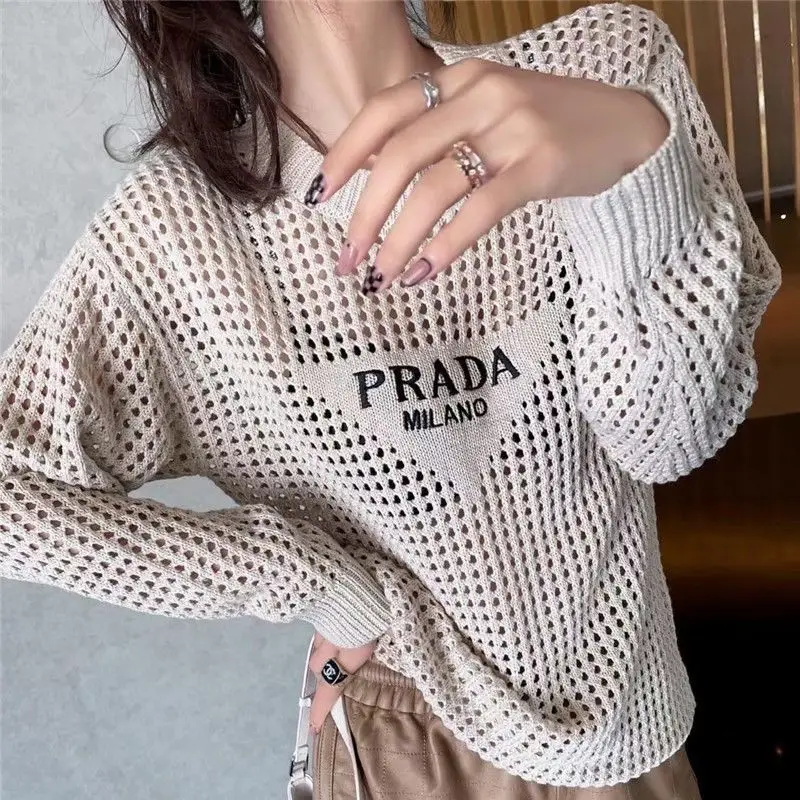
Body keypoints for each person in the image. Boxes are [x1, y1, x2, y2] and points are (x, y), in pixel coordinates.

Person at [0, 1, 781, 798]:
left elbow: (668, 437)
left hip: (630, 730)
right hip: (404, 744)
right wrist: (303, 576)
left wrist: (633, 167)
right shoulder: (173, 235)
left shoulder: (608, 68)